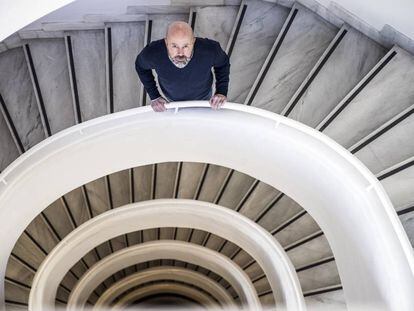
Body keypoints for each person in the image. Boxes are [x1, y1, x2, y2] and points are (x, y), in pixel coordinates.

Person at [135, 21, 230, 112]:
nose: (180, 53)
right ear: (166, 43)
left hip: (203, 96)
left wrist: (221, 91)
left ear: (193, 42)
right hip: (171, 98)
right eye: (174, 46)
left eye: (185, 46)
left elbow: (223, 63)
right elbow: (140, 66)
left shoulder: (210, 50)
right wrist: (154, 95)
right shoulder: (153, 53)